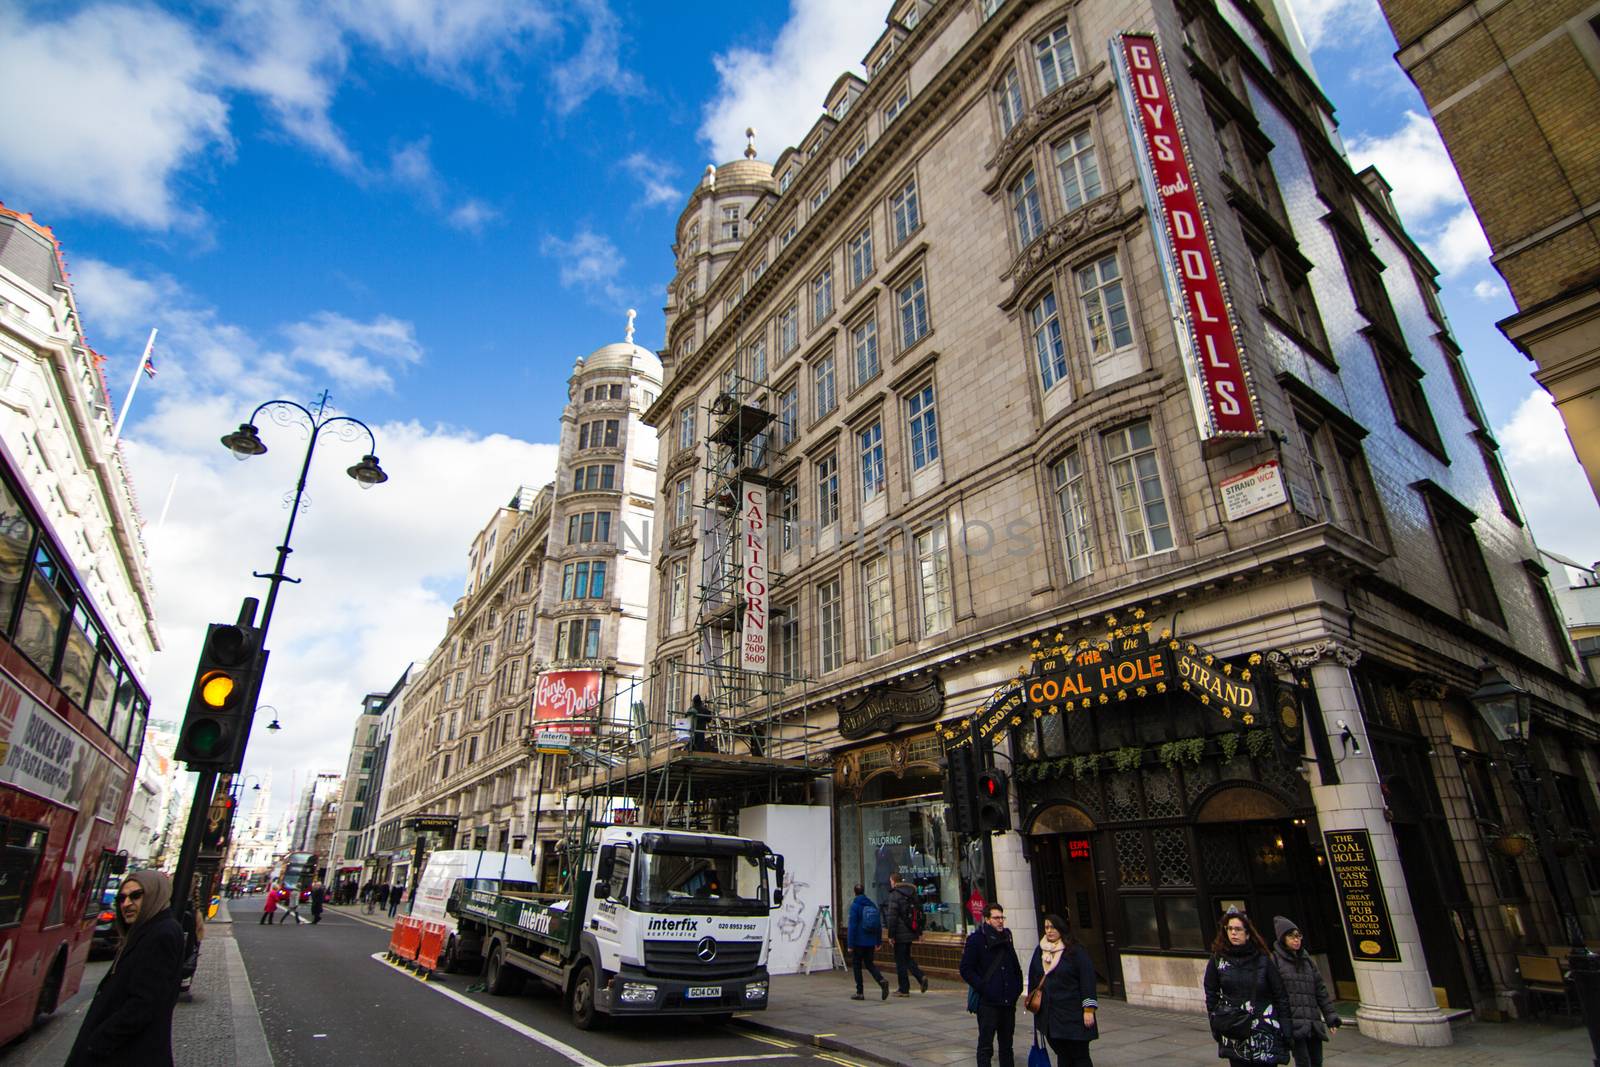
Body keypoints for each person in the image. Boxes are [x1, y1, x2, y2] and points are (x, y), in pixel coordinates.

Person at [64, 870, 184, 1066]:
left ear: (154, 894)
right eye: (122, 898)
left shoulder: (161, 934)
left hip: (126, 1054)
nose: (126, 904)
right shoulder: (147, 931)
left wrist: (99, 1042)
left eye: (136, 895)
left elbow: (144, 1002)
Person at [1203, 908, 1291, 1066]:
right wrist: (1215, 1021)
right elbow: (1211, 993)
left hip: (1264, 1027)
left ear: (1248, 933)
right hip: (1234, 1028)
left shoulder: (1263, 960)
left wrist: (1286, 1027)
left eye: (1237, 929)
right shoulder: (1218, 960)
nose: (1233, 933)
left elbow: (1280, 995)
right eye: (1229, 929)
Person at [1026, 913, 1098, 1067]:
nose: (1049, 931)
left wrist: (1089, 1009)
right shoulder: (1040, 951)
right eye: (1046, 927)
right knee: (1062, 1054)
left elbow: (1087, 979)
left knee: (1080, 1055)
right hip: (1050, 1016)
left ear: (1061, 928)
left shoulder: (1075, 950)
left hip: (1073, 1013)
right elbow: (1033, 978)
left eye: (1053, 927)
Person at [960, 903, 1024, 1067]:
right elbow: (966, 969)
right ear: (987, 919)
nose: (1000, 921)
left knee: (1006, 1045)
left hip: (1008, 1002)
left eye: (1002, 917)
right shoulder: (976, 939)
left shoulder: (1007, 937)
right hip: (988, 1002)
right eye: (996, 918)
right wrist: (983, 987)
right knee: (986, 1045)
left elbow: (1014, 965)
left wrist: (1017, 988)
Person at [1271, 916, 1340, 1067]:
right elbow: (1273, 994)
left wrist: (1330, 1017)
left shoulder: (1307, 960)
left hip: (1312, 1021)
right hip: (1293, 1022)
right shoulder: (1275, 961)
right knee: (1303, 1062)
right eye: (1291, 936)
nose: (1296, 940)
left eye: (1298, 936)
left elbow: (1320, 990)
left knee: (1317, 1061)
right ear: (1283, 938)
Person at [881, 873, 928, 996]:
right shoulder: (912, 893)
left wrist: (890, 936)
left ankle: (904, 989)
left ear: (893, 881)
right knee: (906, 957)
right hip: (910, 931)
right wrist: (919, 932)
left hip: (899, 933)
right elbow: (919, 913)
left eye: (890, 881)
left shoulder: (894, 894)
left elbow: (892, 917)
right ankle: (920, 977)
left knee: (900, 961)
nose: (890, 883)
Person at [846, 883, 890, 1001]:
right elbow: (878, 925)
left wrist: (850, 944)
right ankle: (881, 981)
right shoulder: (872, 904)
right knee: (870, 964)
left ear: (855, 892)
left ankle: (860, 992)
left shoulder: (855, 906)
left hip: (858, 942)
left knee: (857, 965)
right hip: (870, 942)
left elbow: (852, 926)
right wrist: (878, 941)